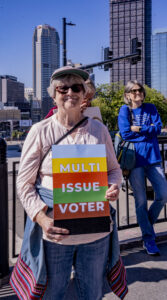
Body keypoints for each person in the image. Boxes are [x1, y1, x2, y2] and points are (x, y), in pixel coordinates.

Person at [11, 66, 128, 300]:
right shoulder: (40, 131)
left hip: (95, 233)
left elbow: (114, 170)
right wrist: (42, 219)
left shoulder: (98, 129)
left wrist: (114, 186)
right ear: (53, 94)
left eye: (76, 87)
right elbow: (24, 184)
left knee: (93, 293)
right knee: (52, 293)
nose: (70, 93)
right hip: (56, 232)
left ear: (84, 94)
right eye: (62, 88)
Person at [118, 80, 167, 256]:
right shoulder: (125, 110)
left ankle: (147, 227)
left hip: (153, 158)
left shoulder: (151, 108)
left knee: (162, 195)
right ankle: (148, 239)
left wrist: (138, 129)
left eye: (139, 90)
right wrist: (147, 130)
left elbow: (158, 129)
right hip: (135, 161)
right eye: (133, 91)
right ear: (127, 95)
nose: (137, 93)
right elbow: (125, 133)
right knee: (140, 201)